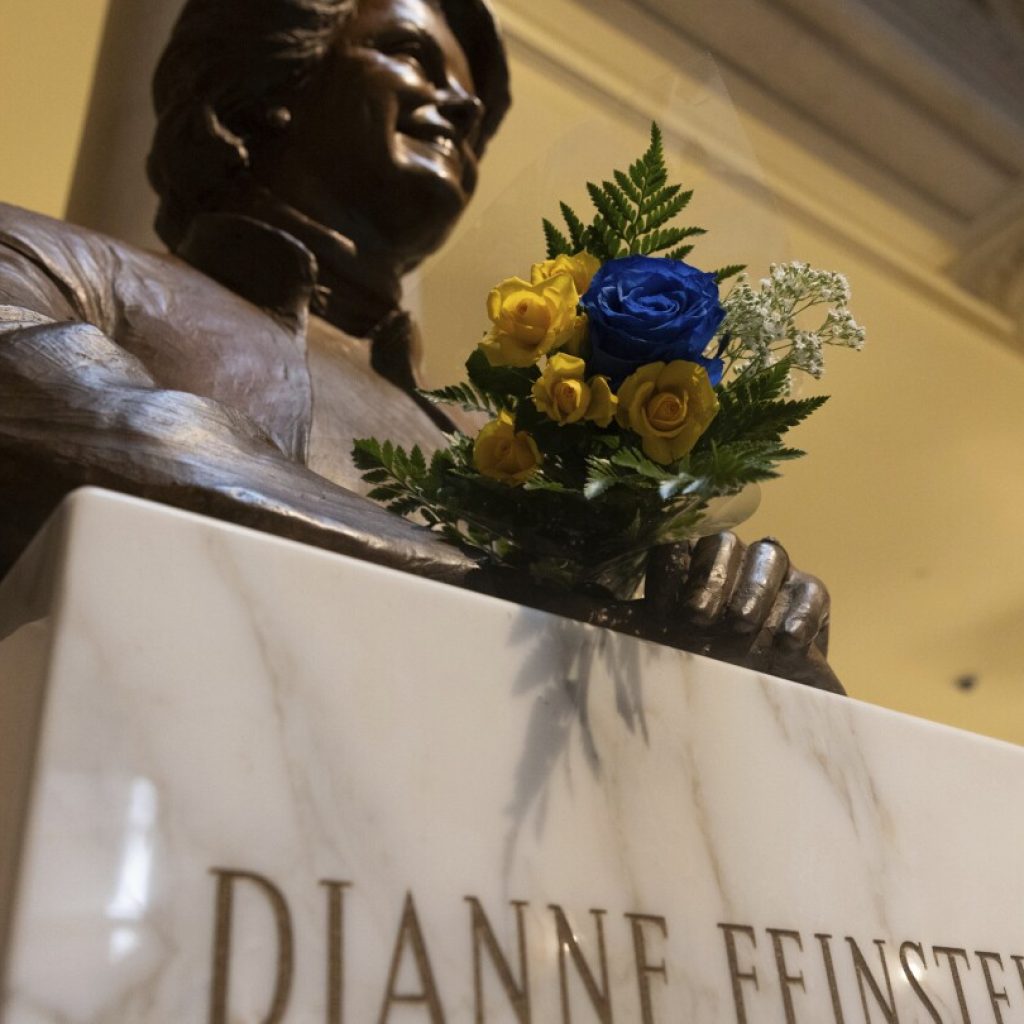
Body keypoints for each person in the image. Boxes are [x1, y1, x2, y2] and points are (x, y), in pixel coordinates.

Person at [0, 0, 839, 691]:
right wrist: (541, 603)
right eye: (410, 54)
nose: (465, 107)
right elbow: (122, 438)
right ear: (265, 87)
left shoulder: (495, 436)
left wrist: (742, 629)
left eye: (471, 97)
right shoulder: (51, 262)